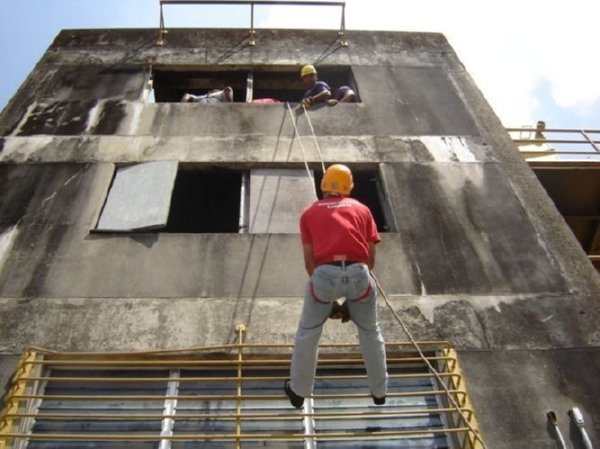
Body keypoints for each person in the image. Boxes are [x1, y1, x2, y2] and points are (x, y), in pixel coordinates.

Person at [285, 164, 388, 408]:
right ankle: (380, 393)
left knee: (308, 333)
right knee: (371, 332)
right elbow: (370, 257)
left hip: (323, 276)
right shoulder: (362, 210)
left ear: (324, 185)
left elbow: (309, 260)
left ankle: (298, 392)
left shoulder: (308, 213)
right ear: (348, 186)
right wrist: (356, 294)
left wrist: (329, 299)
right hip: (359, 274)